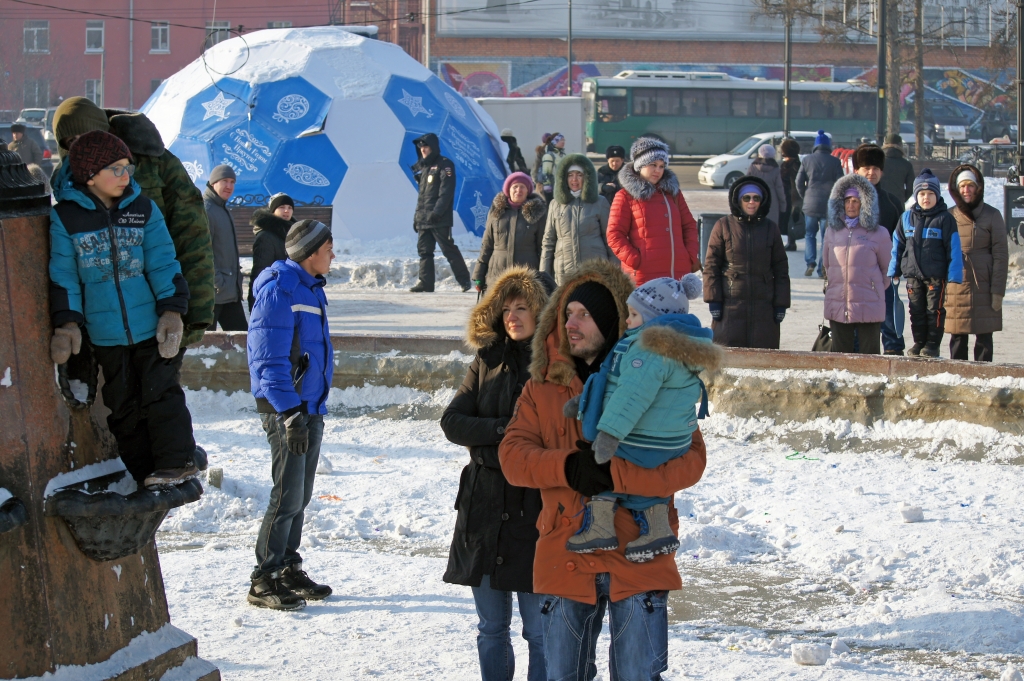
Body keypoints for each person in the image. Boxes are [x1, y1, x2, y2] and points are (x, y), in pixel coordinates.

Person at [498, 259, 708, 681]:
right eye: (567, 313)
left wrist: (617, 478)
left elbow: (691, 460)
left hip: (639, 551)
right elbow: (512, 457)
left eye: (585, 315)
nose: (571, 323)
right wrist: (568, 467)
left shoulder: (659, 374)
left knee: (637, 676)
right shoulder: (542, 387)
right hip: (566, 550)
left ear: (613, 321)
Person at [48, 130, 196, 489]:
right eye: (116, 169)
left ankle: (177, 462)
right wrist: (67, 324)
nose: (125, 176)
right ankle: (146, 473)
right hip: (105, 334)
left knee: (161, 394)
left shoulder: (143, 208)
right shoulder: (65, 218)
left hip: (149, 326)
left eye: (127, 168)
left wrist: (172, 311)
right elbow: (63, 274)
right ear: (90, 174)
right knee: (123, 406)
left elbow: (164, 262)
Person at [440, 266, 555, 681]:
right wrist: (506, 429)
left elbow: (550, 435)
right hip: (483, 510)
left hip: (534, 512)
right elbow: (452, 421)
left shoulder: (554, 367)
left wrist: (492, 434)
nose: (513, 316)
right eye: (506, 308)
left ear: (541, 312)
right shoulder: (485, 358)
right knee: (491, 628)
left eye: (522, 307)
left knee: (540, 631)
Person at [563, 273, 721, 563]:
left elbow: (631, 396)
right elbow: (615, 385)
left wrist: (609, 435)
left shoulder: (650, 349)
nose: (627, 321)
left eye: (634, 315)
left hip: (643, 440)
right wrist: (582, 402)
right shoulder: (680, 348)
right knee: (648, 482)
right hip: (672, 442)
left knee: (600, 468)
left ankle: (599, 527)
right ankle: (658, 529)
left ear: (653, 319)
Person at [52, 96, 215, 349]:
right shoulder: (67, 182)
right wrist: (69, 321)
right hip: (101, 326)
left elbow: (192, 238)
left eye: (91, 135)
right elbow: (65, 263)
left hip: (162, 311)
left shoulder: (154, 163)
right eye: (73, 142)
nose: (85, 146)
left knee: (159, 387)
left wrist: (190, 315)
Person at [247, 219, 336, 610]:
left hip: (309, 405)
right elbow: (268, 360)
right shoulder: (279, 287)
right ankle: (263, 577)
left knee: (300, 496)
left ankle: (287, 566)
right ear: (311, 252)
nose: (333, 254)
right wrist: (289, 413)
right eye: (329, 247)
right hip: (288, 408)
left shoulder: (309, 287)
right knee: (285, 496)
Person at [704, 176, 791, 349]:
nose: (751, 202)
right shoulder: (723, 226)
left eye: (756, 198)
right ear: (738, 200)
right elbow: (711, 265)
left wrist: (781, 304)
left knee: (763, 357)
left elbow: (781, 268)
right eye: (747, 198)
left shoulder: (770, 228)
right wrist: (714, 299)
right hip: (731, 305)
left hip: (764, 306)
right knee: (729, 357)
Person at [888, 169, 963, 358]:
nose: (926, 198)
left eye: (930, 194)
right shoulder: (906, 218)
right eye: (921, 194)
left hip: (935, 276)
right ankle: (919, 342)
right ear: (916, 196)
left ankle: (932, 344)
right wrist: (894, 269)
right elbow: (897, 245)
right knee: (916, 311)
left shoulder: (945, 219)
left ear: (937, 195)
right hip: (913, 275)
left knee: (933, 310)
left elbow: (954, 248)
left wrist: (954, 275)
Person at [608, 136, 700, 285]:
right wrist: (636, 260)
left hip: (677, 275)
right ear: (640, 165)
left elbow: (689, 226)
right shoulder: (625, 196)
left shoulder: (673, 194)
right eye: (653, 164)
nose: (658, 170)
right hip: (643, 278)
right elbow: (614, 234)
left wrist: (688, 256)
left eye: (662, 166)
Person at [821, 174, 892, 355]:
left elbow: (887, 269)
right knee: (840, 356)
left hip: (868, 302)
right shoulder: (832, 231)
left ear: (865, 204)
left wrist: (873, 288)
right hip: (838, 301)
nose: (851, 205)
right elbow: (828, 265)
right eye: (847, 200)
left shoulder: (879, 233)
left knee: (869, 357)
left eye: (856, 201)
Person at [944, 165, 1008, 362]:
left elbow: (1001, 255)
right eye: (962, 186)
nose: (966, 190)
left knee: (984, 336)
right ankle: (957, 375)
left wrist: (998, 290)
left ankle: (984, 377)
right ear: (956, 189)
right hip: (956, 285)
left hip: (984, 282)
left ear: (978, 187)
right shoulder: (949, 215)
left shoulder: (992, 215)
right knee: (957, 336)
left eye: (970, 185)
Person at [852, 144, 908, 355]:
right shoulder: (846, 202)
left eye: (875, 168)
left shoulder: (892, 202)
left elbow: (901, 238)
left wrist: (898, 266)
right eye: (866, 167)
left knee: (888, 316)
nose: (871, 172)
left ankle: (893, 351)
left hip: (885, 271)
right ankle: (857, 354)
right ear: (856, 170)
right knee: (857, 317)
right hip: (854, 272)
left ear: (882, 171)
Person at [410, 133, 472, 293]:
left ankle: (465, 281)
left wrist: (436, 213)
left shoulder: (445, 165)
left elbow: (446, 192)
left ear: (433, 147)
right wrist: (417, 218)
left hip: (439, 219)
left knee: (448, 249)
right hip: (424, 218)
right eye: (421, 147)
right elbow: (422, 197)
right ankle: (426, 283)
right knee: (424, 251)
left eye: (426, 146)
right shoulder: (423, 168)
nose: (423, 150)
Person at [541, 154, 615, 285]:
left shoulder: (600, 202)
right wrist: (543, 275)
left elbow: (610, 241)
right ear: (564, 178)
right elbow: (548, 242)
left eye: (579, 175)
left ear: (587, 177)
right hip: (564, 271)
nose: (574, 179)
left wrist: (615, 273)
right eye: (570, 175)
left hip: (595, 272)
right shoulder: (555, 204)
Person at [473, 172, 547, 291]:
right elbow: (487, 244)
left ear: (528, 191)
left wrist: (545, 275)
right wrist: (479, 274)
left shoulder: (537, 213)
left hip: (526, 277)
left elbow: (543, 248)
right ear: (508, 190)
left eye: (522, 187)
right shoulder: (497, 211)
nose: (518, 190)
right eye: (515, 187)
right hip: (497, 275)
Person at [203, 164, 246, 330]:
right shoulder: (207, 209)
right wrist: (217, 282)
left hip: (228, 292)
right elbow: (203, 253)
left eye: (232, 182)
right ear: (213, 183)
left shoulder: (221, 208)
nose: (229, 186)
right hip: (213, 294)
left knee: (243, 341)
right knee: (204, 347)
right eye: (224, 181)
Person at [796, 129, 844, 277]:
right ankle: (822, 268)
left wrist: (805, 195)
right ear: (828, 146)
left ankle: (810, 262)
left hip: (810, 203)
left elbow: (798, 182)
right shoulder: (835, 161)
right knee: (826, 237)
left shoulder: (806, 160)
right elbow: (841, 183)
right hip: (828, 204)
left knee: (810, 234)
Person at [248, 192, 296, 311]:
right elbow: (259, 271)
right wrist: (255, 301)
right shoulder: (266, 236)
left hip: (291, 294)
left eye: (289, 208)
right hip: (273, 296)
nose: (286, 211)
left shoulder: (293, 234)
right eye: (281, 207)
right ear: (272, 210)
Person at [746, 144, 787, 230]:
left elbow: (746, 184)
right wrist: (783, 205)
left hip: (755, 199)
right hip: (772, 202)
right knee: (771, 229)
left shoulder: (753, 167)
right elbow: (779, 188)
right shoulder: (775, 168)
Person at [779, 138, 802, 251]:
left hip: (789, 196)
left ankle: (791, 242)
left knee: (788, 219)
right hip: (793, 196)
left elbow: (790, 182)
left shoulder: (788, 165)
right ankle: (790, 241)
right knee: (790, 219)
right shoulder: (797, 163)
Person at [879, 133, 916, 203]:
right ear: (900, 145)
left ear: (884, 145)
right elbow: (911, 187)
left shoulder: (877, 162)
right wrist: (902, 198)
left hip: (879, 202)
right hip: (898, 203)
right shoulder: (906, 164)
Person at [535, 132, 566, 202]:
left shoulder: (562, 155)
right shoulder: (549, 156)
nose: (563, 142)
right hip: (552, 189)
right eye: (561, 140)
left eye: (564, 140)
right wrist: (548, 189)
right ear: (555, 142)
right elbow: (546, 173)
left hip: (561, 187)